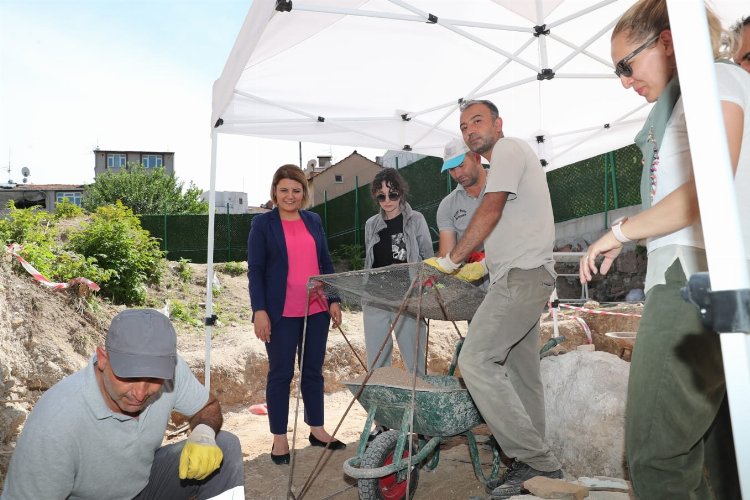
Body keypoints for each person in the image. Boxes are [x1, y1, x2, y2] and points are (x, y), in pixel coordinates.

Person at [579, 1, 748, 497]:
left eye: (625, 65)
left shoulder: (713, 81)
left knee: (657, 456)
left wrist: (621, 231)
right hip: (706, 272)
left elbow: (707, 191)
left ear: (668, 41)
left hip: (690, 281)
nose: (625, 82)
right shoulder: (706, 91)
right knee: (719, 453)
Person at [428, 99, 561, 499]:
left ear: (498, 123)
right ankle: (539, 468)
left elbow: (491, 206)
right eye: (465, 126)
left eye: (478, 121)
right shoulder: (506, 160)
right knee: (523, 375)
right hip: (520, 274)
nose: (470, 130)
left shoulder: (509, 149)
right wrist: (479, 268)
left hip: (522, 278)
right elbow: (511, 230)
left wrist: (452, 260)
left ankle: (535, 460)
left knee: (475, 359)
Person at [1, 308, 245, 500]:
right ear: (103, 359)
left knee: (223, 445)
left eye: (153, 379)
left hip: (144, 485)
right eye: (128, 376)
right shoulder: (56, 424)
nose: (140, 393)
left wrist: (203, 434)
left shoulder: (171, 370)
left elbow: (207, 406)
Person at [247, 164, 345, 465]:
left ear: (304, 193)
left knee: (313, 371)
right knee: (281, 374)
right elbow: (256, 270)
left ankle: (317, 429)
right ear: (275, 191)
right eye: (284, 189)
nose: (290, 195)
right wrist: (259, 311)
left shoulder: (313, 221)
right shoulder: (263, 225)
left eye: (296, 190)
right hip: (280, 314)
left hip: (315, 310)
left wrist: (334, 299)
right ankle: (279, 439)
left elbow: (325, 262)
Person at [362, 167, 434, 380]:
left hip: (408, 298)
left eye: (392, 194)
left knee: (415, 363)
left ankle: (418, 410)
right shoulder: (371, 225)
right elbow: (370, 262)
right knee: (377, 364)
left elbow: (428, 257)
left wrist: (427, 292)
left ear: (401, 192)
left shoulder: (416, 219)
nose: (387, 200)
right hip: (375, 298)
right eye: (381, 195)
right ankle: (383, 411)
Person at [436, 137, 488, 289]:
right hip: (475, 291)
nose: (458, 174)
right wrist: (441, 270)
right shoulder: (447, 206)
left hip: (513, 281)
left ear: (477, 157)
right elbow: (447, 253)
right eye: (452, 169)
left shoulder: (503, 186)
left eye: (461, 165)